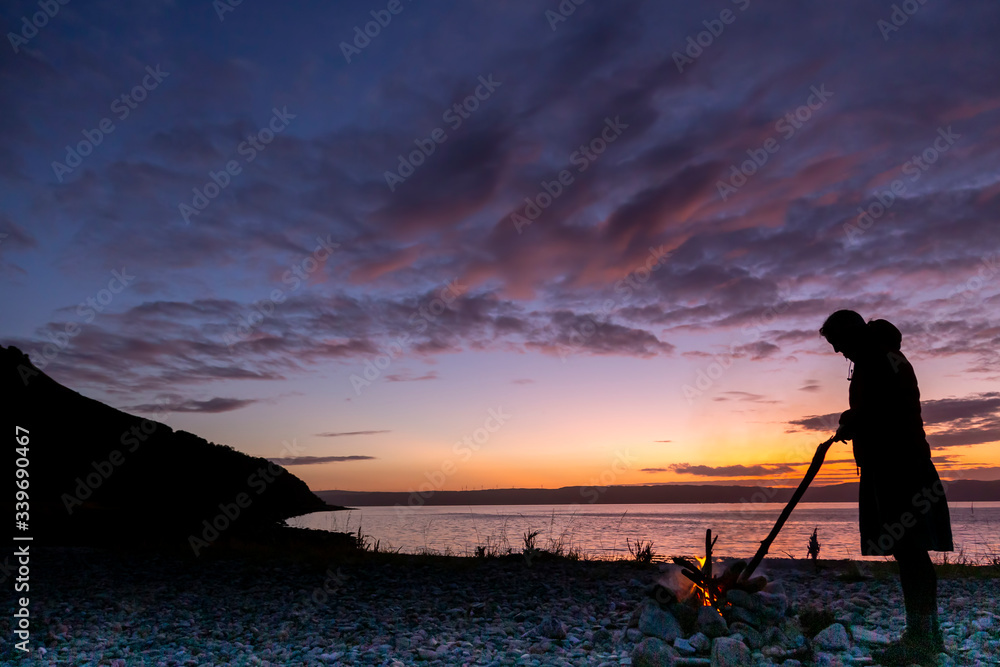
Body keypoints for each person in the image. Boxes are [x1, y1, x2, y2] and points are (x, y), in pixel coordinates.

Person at [820, 309, 953, 665]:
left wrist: (854, 420)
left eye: (838, 344)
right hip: (889, 467)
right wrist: (855, 420)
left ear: (851, 335)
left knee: (910, 551)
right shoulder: (873, 360)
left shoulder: (884, 359)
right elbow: (876, 409)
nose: (838, 353)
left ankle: (922, 639)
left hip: (902, 468)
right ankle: (925, 635)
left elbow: (888, 410)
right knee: (907, 551)